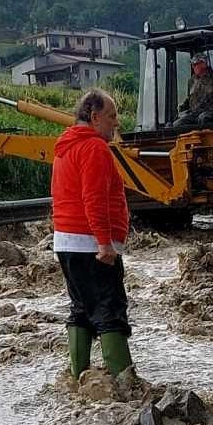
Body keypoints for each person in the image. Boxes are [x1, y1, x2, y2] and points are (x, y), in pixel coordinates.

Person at [51, 89, 133, 380]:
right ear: (94, 116)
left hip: (66, 241)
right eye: (111, 117)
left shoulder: (65, 147)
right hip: (91, 244)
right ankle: (124, 384)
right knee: (110, 310)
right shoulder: (94, 148)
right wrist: (104, 243)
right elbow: (94, 198)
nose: (116, 124)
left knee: (82, 308)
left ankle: (78, 377)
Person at [173, 54, 213, 126]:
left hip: (210, 112)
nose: (193, 67)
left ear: (204, 64)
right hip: (194, 113)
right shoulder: (192, 80)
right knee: (177, 124)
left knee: (203, 119)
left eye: (195, 64)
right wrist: (182, 107)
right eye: (192, 65)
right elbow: (189, 98)